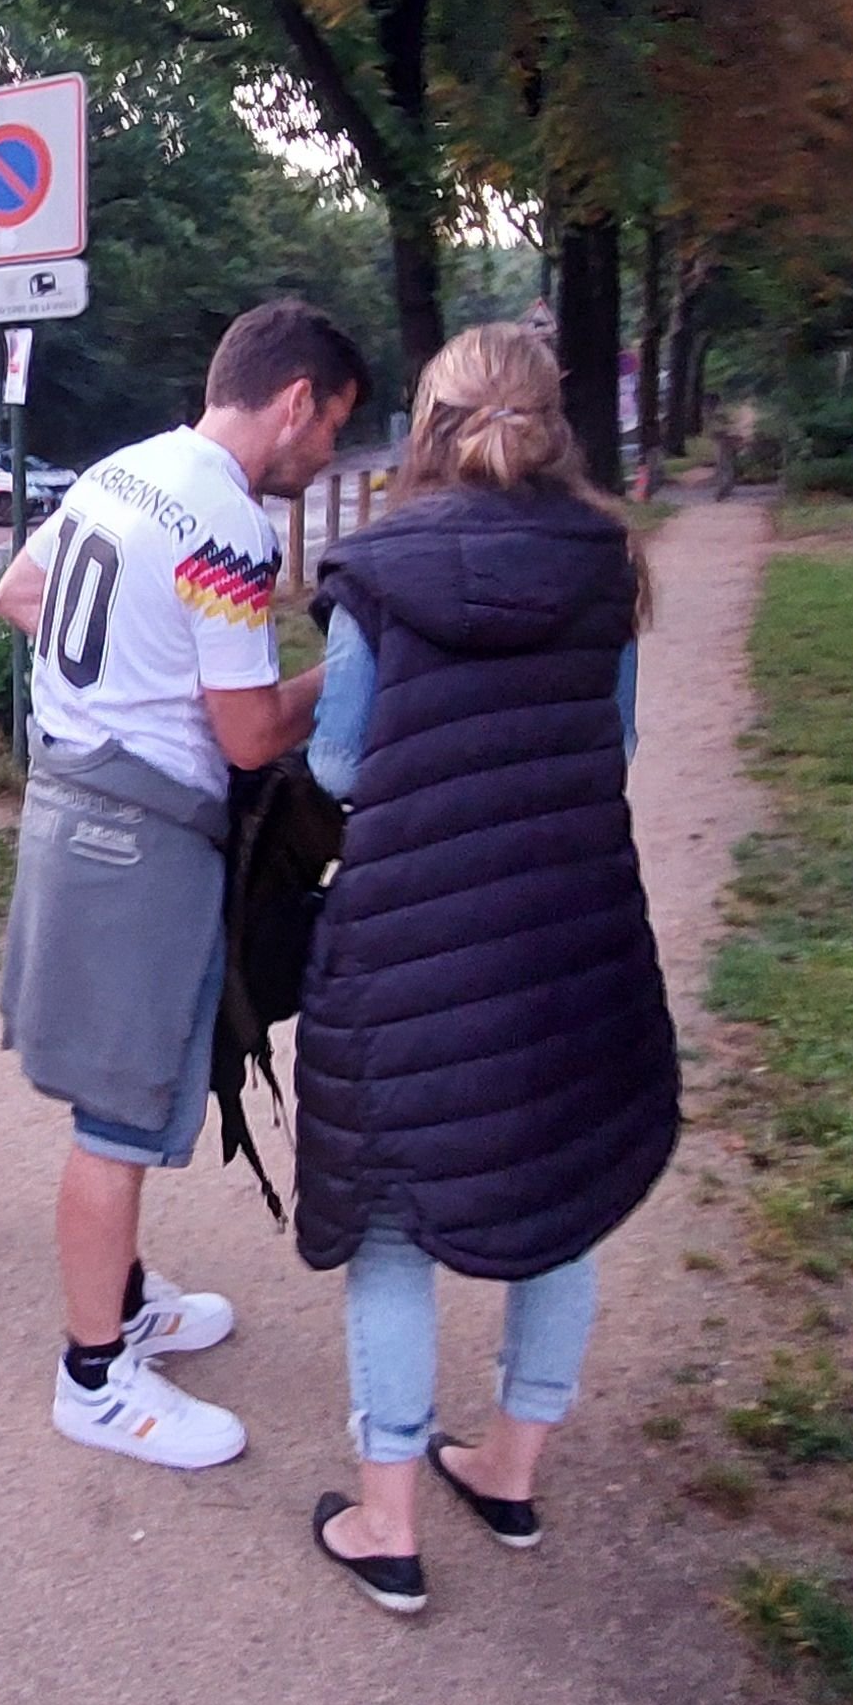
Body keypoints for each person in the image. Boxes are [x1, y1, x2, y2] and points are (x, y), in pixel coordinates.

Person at [290, 322, 679, 1614]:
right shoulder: (606, 560)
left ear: (432, 418)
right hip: (569, 922)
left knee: (394, 1216)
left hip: (410, 935)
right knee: (558, 1185)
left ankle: (388, 1520)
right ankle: (510, 1465)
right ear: (554, 419)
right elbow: (612, 740)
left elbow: (343, 764)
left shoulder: (380, 567)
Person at [0, 299, 366, 1469]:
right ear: (296, 399)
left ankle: (128, 1295)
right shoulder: (227, 522)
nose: (330, 458)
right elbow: (252, 738)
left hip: (70, 804)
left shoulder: (123, 471)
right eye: (335, 429)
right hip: (141, 839)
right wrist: (338, 677)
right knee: (118, 1116)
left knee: (125, 1095)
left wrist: (133, 675)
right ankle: (94, 1377)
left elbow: (16, 593)